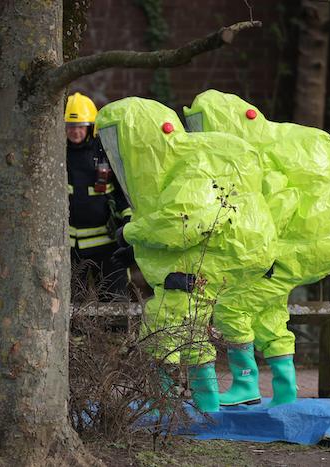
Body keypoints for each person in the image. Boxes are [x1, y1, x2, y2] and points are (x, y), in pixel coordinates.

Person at [96, 97, 277, 412]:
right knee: (194, 319)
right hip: (234, 251)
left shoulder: (189, 162)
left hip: (226, 253)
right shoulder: (176, 165)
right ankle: (209, 400)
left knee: (170, 317)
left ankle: (168, 402)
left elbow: (183, 223)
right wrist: (138, 249)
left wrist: (131, 234)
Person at [184, 90, 330, 407]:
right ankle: (286, 391)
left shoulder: (259, 162)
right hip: (309, 244)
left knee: (231, 306)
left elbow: (280, 203)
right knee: (270, 312)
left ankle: (246, 383)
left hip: (294, 247)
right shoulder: (263, 154)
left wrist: (263, 247)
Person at [64, 92, 132, 302]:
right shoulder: (57, 153)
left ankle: (117, 335)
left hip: (107, 242)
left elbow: (122, 190)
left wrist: (128, 222)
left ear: (91, 126)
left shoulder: (105, 152)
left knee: (114, 296)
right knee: (74, 301)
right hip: (71, 246)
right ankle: (75, 336)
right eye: (70, 127)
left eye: (80, 126)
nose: (75, 131)